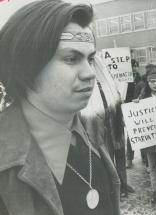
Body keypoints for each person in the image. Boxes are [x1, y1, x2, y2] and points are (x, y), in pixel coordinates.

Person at [0, 1, 120, 215]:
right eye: (71, 59)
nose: (90, 73)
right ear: (28, 65)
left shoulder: (91, 132)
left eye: (90, 59)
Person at [80, 55, 134, 198]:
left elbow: (119, 97)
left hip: (115, 121)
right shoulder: (86, 84)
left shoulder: (109, 82)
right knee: (108, 156)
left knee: (120, 155)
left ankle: (124, 183)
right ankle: (113, 186)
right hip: (99, 123)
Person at [133, 68, 156, 203]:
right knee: (152, 166)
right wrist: (136, 104)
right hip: (151, 138)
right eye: (152, 82)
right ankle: (155, 190)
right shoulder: (143, 97)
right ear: (148, 83)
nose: (155, 84)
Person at [125, 59, 144, 169]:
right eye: (133, 66)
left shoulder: (140, 78)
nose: (135, 68)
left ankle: (144, 158)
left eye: (136, 66)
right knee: (131, 135)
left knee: (143, 133)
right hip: (129, 109)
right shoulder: (124, 80)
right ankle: (129, 158)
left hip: (141, 109)